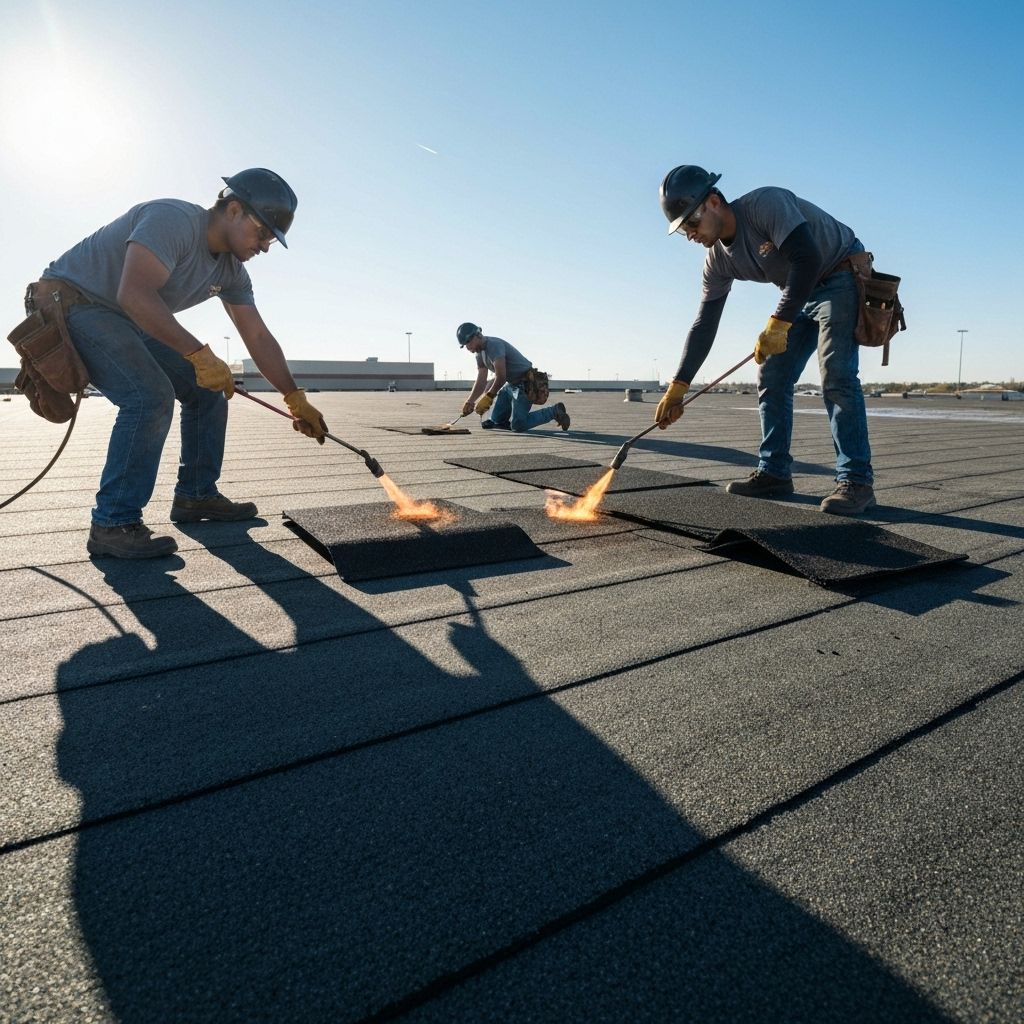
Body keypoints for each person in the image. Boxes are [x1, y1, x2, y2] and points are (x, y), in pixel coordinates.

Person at [31, 168, 328, 559]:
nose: (267, 246)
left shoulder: (232, 272)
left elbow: (256, 336)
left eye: (272, 239)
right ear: (234, 210)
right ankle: (113, 523)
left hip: (126, 315)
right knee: (149, 396)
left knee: (208, 392)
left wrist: (293, 395)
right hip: (75, 304)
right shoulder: (173, 219)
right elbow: (135, 294)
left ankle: (196, 496)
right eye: (263, 233)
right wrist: (200, 354)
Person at [653, 165, 876, 515]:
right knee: (771, 375)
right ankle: (774, 472)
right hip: (800, 291)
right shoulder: (717, 262)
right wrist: (678, 385)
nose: (690, 235)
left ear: (713, 201)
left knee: (836, 374)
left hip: (839, 273)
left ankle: (857, 481)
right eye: (682, 231)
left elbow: (807, 258)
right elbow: (705, 323)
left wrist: (778, 324)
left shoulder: (765, 205)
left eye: (691, 223)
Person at [456, 323, 570, 432]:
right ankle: (500, 421)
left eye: (468, 342)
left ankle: (554, 411)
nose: (468, 347)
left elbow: (501, 377)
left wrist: (489, 396)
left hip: (525, 383)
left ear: (478, 335)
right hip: (511, 384)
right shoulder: (479, 353)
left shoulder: (494, 345)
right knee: (497, 421)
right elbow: (481, 380)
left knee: (519, 425)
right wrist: (470, 401)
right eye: (465, 345)